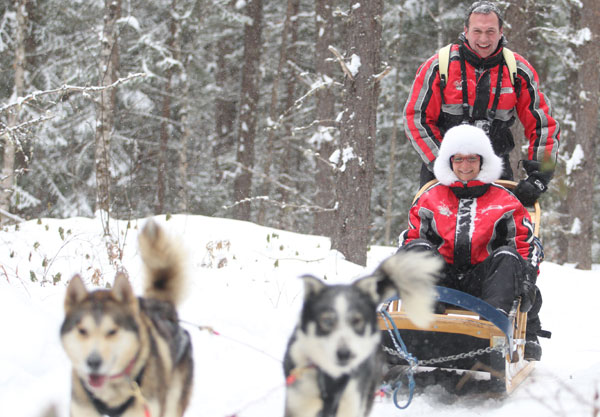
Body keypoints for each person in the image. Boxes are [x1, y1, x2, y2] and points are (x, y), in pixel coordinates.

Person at [399, 124, 546, 360]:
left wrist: (527, 280)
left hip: (486, 284)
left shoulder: (505, 201)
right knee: (417, 250)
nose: (465, 166)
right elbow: (414, 239)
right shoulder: (430, 198)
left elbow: (523, 247)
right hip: (440, 282)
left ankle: (493, 330)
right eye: (458, 160)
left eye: (471, 160)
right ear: (449, 162)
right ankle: (421, 327)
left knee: (508, 257)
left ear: (482, 161)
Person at [403, 1, 559, 207]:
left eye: (490, 31)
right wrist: (442, 162)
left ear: (501, 31)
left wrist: (540, 176)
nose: (483, 39)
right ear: (466, 31)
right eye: (477, 31)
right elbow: (416, 118)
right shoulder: (440, 66)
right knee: (435, 233)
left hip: (496, 169)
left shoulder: (518, 71)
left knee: (501, 233)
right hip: (442, 171)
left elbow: (543, 125)